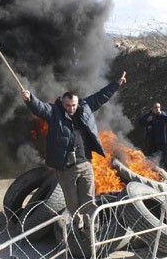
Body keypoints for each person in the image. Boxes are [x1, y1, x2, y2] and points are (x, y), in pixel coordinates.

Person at [21, 72, 127, 235]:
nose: (71, 108)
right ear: (62, 103)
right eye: (68, 105)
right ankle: (78, 228)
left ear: (78, 103)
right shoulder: (54, 113)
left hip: (85, 164)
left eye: (74, 105)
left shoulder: (84, 108)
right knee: (72, 202)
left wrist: (117, 84)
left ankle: (92, 230)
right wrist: (30, 99)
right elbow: (40, 108)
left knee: (89, 200)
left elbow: (101, 96)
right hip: (66, 168)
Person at [139, 102, 167, 168]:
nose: (157, 109)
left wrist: (162, 114)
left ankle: (161, 174)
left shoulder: (162, 115)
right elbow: (140, 122)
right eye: (155, 107)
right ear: (152, 108)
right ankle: (151, 174)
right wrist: (147, 120)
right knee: (151, 159)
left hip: (161, 141)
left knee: (161, 160)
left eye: (159, 107)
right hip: (150, 142)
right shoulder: (148, 115)